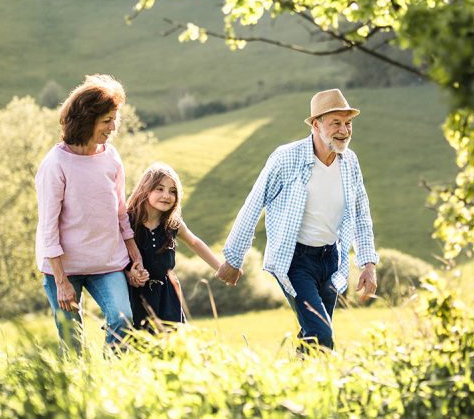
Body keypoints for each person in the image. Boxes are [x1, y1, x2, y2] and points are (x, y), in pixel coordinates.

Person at [216, 88, 379, 351]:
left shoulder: (350, 162)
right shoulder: (286, 158)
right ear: (316, 124)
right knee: (321, 333)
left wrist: (368, 264)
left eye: (348, 123)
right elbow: (254, 203)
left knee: (315, 339)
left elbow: (361, 214)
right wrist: (233, 259)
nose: (344, 130)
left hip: (331, 259)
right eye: (335, 123)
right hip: (295, 260)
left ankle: (303, 383)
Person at [34, 74, 149, 353]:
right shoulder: (56, 164)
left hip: (106, 263)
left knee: (123, 319)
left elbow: (120, 211)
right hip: (63, 268)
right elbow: (49, 228)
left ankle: (111, 382)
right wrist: (61, 282)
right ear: (86, 119)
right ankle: (78, 391)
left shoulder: (110, 157)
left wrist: (133, 252)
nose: (113, 127)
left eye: (114, 119)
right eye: (106, 120)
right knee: (72, 343)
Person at [125, 162, 223, 330]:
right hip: (135, 295)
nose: (166, 195)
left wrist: (220, 268)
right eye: (160, 189)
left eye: (172, 191)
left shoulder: (172, 224)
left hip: (167, 297)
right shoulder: (127, 221)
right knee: (137, 344)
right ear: (145, 189)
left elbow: (194, 242)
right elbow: (111, 257)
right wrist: (128, 274)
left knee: (170, 346)